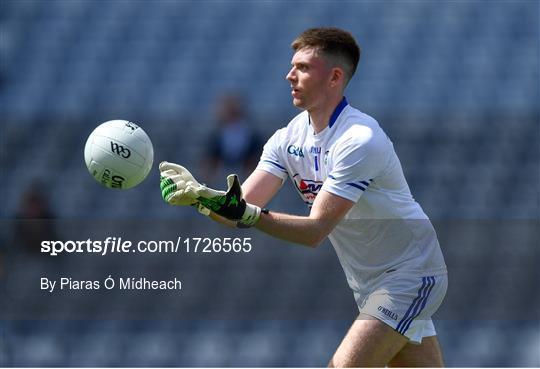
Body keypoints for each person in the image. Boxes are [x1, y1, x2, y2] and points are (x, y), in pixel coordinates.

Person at [160, 27, 447, 367]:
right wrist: (201, 197)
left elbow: (314, 230)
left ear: (334, 77)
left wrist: (247, 214)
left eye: (303, 67)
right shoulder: (286, 139)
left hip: (410, 274)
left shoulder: (359, 139)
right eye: (291, 66)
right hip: (369, 283)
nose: (289, 75)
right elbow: (235, 211)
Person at [202, 93, 261, 184]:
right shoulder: (217, 133)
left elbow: (255, 155)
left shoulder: (250, 133)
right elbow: (211, 156)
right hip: (222, 173)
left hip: (244, 173)